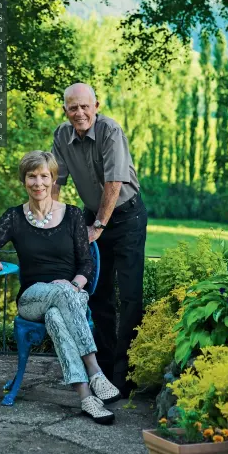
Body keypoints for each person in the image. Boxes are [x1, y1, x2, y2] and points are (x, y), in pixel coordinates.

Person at [0, 150, 122, 423]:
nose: (38, 183)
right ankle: (96, 371)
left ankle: (87, 397)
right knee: (58, 296)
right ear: (24, 180)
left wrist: (74, 285)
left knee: (56, 315)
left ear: (53, 180)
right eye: (31, 176)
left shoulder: (73, 215)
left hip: (71, 294)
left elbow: (86, 265)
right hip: (32, 298)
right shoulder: (14, 217)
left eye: (44, 176)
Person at [51, 83, 148, 397]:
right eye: (72, 108)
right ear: (65, 110)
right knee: (99, 293)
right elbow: (55, 182)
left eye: (84, 107)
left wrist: (99, 225)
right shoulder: (61, 136)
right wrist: (51, 222)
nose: (79, 113)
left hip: (125, 216)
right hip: (93, 218)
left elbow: (114, 182)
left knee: (130, 295)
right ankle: (104, 368)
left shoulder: (110, 130)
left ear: (96, 106)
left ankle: (127, 372)